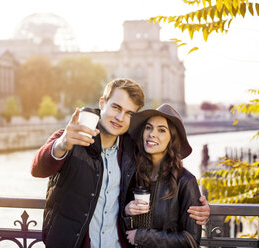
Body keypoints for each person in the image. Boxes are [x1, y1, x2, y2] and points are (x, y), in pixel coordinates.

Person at [31, 78, 210, 248]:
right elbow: (38, 169)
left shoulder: (133, 151)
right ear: (102, 104)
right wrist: (62, 144)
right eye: (116, 108)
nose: (120, 117)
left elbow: (163, 176)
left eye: (129, 113)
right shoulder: (71, 138)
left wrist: (197, 205)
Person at [120, 103, 202, 248]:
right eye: (148, 127)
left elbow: (191, 241)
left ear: (172, 139)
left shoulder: (186, 181)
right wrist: (126, 213)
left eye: (161, 130)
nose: (152, 134)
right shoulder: (133, 175)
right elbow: (122, 228)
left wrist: (143, 236)